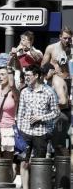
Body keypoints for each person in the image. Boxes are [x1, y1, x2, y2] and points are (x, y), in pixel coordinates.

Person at [17, 65, 59, 189]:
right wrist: (19, 129)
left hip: (41, 132)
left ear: (36, 76)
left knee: (38, 163)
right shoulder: (24, 91)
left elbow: (56, 112)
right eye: (26, 75)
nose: (27, 78)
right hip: (25, 131)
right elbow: (20, 112)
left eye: (29, 75)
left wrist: (41, 117)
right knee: (23, 161)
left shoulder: (49, 91)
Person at [42, 27, 72, 157]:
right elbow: (43, 66)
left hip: (69, 83)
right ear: (60, 37)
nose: (67, 40)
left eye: (69, 38)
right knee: (53, 140)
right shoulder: (51, 48)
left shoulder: (72, 49)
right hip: (56, 81)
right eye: (64, 38)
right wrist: (50, 72)